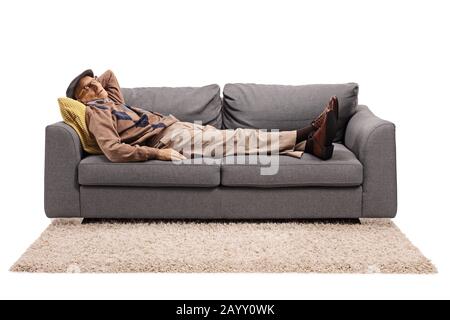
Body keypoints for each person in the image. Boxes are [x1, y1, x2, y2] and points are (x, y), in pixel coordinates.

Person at [66, 69, 338, 162]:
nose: (95, 85)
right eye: (87, 88)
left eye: (94, 81)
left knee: (238, 141)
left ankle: (311, 145)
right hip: (166, 141)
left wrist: (93, 84)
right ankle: (306, 131)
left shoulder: (110, 100)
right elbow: (112, 150)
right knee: (236, 142)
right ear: (81, 100)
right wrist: (156, 154)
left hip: (175, 126)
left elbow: (109, 74)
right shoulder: (96, 111)